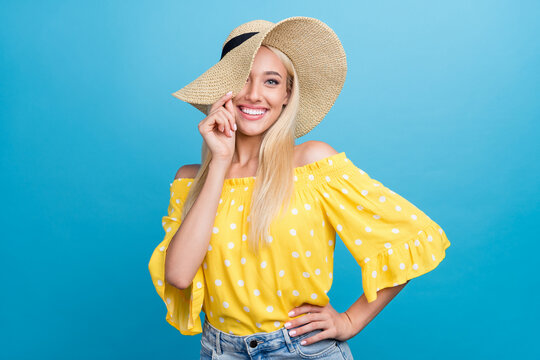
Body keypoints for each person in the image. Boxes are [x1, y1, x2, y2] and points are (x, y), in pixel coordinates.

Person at [148, 16, 451, 359]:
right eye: (242, 80)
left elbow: (411, 238)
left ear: (286, 94)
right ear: (223, 92)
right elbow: (178, 275)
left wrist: (350, 320)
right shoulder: (190, 179)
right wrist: (219, 161)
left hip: (302, 351)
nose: (254, 94)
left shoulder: (312, 164)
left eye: (271, 81)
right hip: (221, 351)